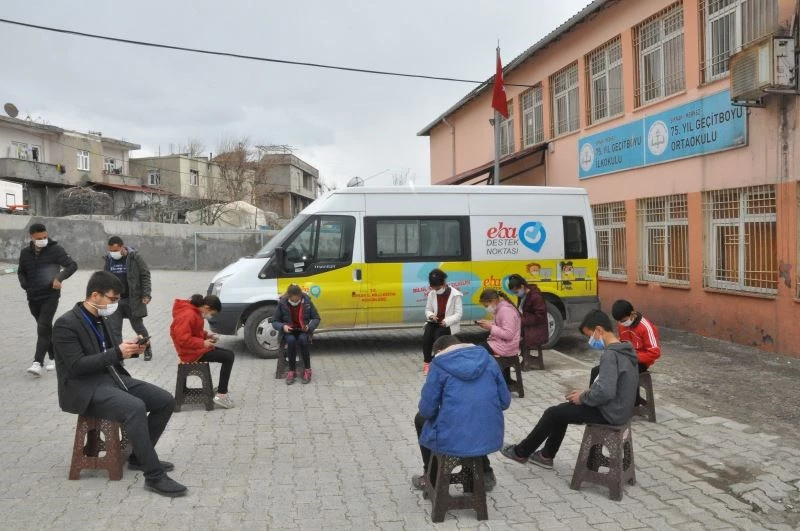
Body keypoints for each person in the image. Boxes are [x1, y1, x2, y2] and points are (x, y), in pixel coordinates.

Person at [52, 271, 186, 497]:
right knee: (135, 407)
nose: (115, 304)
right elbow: (76, 366)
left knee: (164, 400)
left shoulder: (99, 317)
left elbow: (111, 353)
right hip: (84, 388)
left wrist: (132, 350)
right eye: (112, 299)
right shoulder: (65, 324)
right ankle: (154, 476)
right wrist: (117, 352)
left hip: (110, 378)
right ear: (95, 295)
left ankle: (137, 457)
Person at [500, 309, 638, 468]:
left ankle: (521, 452)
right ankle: (546, 455)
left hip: (610, 413)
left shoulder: (611, 355)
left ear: (599, 330)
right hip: (620, 409)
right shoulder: (625, 349)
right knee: (561, 411)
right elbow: (610, 386)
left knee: (552, 413)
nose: (590, 340)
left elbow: (606, 392)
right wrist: (586, 394)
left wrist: (583, 398)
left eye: (590, 335)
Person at [412, 335, 510, 492]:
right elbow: (505, 402)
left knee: (421, 419)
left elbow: (427, 410)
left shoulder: (439, 364)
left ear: (439, 351)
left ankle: (431, 477)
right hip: (490, 435)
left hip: (455, 436)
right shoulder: (489, 360)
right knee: (473, 420)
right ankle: (485, 474)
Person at [18, 222, 78, 376]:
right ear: (31, 237)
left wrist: (59, 278)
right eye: (39, 238)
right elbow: (21, 272)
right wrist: (25, 286)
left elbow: (72, 265)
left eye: (45, 236)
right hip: (33, 297)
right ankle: (54, 357)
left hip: (50, 296)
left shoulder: (55, 250)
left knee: (42, 327)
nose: (43, 240)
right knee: (45, 328)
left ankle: (37, 362)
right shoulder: (25, 253)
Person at [589, 299, 661, 406]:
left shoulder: (645, 327)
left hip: (640, 362)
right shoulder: (621, 325)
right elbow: (623, 343)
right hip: (625, 358)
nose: (622, 323)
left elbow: (655, 353)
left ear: (632, 314)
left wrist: (633, 356)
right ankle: (593, 401)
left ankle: (627, 404)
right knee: (597, 370)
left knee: (617, 373)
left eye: (624, 320)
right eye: (620, 321)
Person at [170, 294, 235, 409]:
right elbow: (182, 339)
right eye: (212, 313)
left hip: (194, 349)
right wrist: (202, 343)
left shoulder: (193, 312)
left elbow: (194, 332)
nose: (210, 316)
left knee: (229, 355)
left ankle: (221, 390)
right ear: (206, 307)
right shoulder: (188, 314)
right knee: (228, 357)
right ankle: (222, 394)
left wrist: (207, 336)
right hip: (190, 353)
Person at [104, 236, 153, 361]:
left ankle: (147, 348)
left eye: (115, 250)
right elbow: (104, 278)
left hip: (133, 299)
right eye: (111, 250)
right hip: (114, 300)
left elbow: (145, 275)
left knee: (138, 327)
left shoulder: (134, 257)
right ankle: (119, 356)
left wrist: (146, 294)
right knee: (114, 330)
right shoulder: (109, 259)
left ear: (122, 247)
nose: (113, 253)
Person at [271, 284, 321, 385]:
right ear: (288, 297)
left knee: (303, 340)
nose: (295, 302)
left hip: (303, 330)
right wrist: (283, 327)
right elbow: (274, 321)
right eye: (292, 300)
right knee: (291, 341)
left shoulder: (307, 302)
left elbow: (316, 318)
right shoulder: (282, 303)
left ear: (300, 296)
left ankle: (307, 370)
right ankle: (291, 371)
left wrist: (309, 327)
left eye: (297, 300)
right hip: (288, 330)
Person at [421, 268, 463, 375]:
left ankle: (437, 362)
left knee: (438, 337)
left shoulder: (455, 295)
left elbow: (458, 314)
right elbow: (428, 309)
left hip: (447, 323)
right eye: (434, 288)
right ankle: (427, 362)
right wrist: (431, 316)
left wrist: (446, 321)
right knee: (426, 337)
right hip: (434, 322)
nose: (436, 290)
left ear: (444, 283)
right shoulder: (432, 294)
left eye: (438, 287)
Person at [475, 288, 521, 359]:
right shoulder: (500, 309)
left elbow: (509, 334)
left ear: (494, 301)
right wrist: (488, 323)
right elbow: (500, 325)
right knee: (475, 342)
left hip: (506, 347)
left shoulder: (505, 311)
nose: (486, 308)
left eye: (486, 306)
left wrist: (490, 327)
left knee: (476, 351)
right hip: (500, 343)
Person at [507, 274, 549, 350]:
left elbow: (540, 317)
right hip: (527, 326)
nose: (516, 294)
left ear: (522, 287)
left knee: (510, 338)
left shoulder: (536, 297)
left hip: (536, 330)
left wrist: (522, 321)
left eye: (516, 292)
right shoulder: (523, 295)